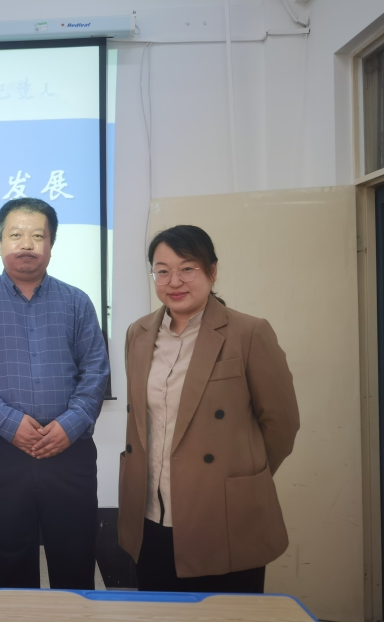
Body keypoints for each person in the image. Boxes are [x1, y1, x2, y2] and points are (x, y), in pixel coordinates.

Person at [119, 224, 299, 593]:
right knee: (158, 612)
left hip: (221, 514)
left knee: (227, 613)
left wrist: (240, 478)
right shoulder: (138, 334)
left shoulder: (248, 333)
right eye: (162, 270)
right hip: (150, 513)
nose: (174, 281)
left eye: (188, 268)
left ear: (212, 271)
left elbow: (282, 423)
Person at [0, 197, 110, 590]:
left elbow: (96, 371)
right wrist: (11, 424)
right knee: (10, 563)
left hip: (69, 451)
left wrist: (69, 425)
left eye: (37, 236)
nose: (26, 244)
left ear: (51, 244)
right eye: (15, 234)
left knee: (75, 561)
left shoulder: (77, 302)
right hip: (4, 453)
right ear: (0, 242)